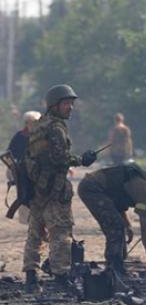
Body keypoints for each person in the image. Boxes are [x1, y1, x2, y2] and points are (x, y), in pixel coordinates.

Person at [22, 84, 97, 293]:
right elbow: (59, 158)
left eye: (71, 104)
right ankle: (61, 277)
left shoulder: (38, 125)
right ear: (54, 105)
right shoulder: (56, 127)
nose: (70, 108)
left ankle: (30, 276)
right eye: (66, 104)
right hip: (54, 189)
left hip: (37, 188)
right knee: (61, 233)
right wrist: (82, 160)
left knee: (34, 233)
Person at [78, 163, 146, 274]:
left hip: (100, 189)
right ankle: (114, 267)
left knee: (118, 224)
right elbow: (145, 227)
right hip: (92, 188)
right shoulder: (145, 191)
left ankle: (118, 264)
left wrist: (128, 225)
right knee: (115, 226)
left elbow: (118, 200)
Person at [6, 111, 41, 224]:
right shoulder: (19, 136)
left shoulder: (41, 137)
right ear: (27, 123)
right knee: (24, 198)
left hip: (39, 175)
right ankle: (31, 226)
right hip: (23, 175)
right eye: (33, 122)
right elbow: (9, 155)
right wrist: (13, 170)